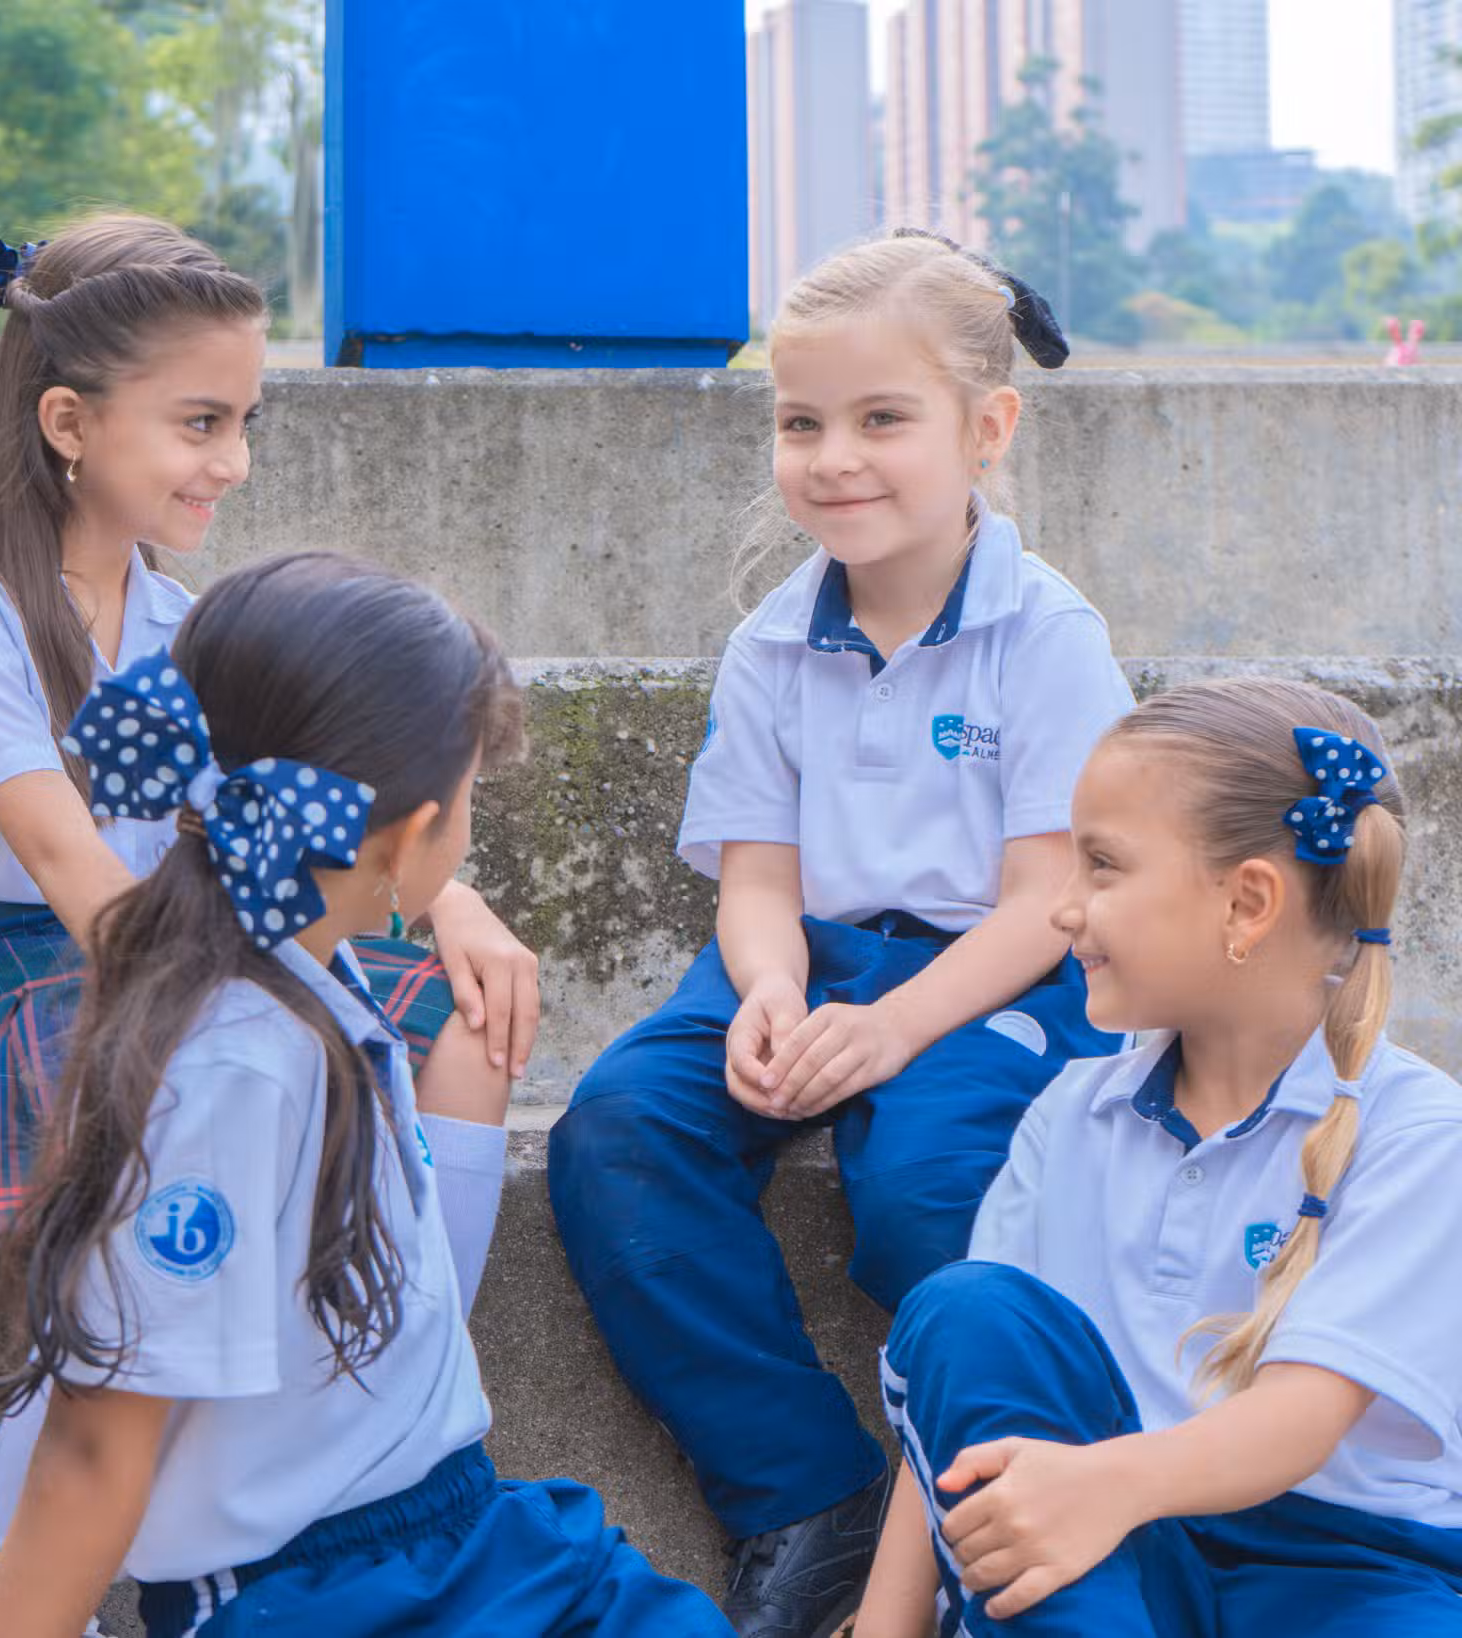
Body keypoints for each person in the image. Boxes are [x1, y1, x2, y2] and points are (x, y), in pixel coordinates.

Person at [0, 215, 536, 1595]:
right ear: (68, 420)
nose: (231, 462)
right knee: (182, 1088)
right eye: (199, 423)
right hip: (3, 965)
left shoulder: (177, 621)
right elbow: (73, 874)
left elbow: (299, 803)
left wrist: (452, 901)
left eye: (243, 423)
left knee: (465, 1021)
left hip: (172, 940)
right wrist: (260, 997)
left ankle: (382, 1427)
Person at [0, 554, 731, 1638]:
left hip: (464, 1530)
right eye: (471, 798)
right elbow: (97, 1441)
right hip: (309, 1594)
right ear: (411, 836)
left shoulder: (312, 977)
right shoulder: (230, 1065)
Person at [547, 230, 1134, 1637]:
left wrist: (890, 1028)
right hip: (806, 951)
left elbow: (1044, 903)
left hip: (990, 971)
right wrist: (767, 988)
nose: (833, 458)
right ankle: (805, 1494)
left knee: (932, 1193)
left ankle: (1002, 1495)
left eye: (881, 419)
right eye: (800, 423)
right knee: (618, 1128)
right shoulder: (770, 641)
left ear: (987, 428)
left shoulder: (1044, 634)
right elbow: (756, 880)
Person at [856, 677, 1462, 1638]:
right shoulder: (1071, 1113)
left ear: (1248, 903)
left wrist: (1106, 1484)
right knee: (968, 1308)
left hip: (1343, 1573)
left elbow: (1300, 1421)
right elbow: (956, 1410)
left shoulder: (1419, 1135)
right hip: (1111, 1560)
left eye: (1101, 866)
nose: (1061, 910)